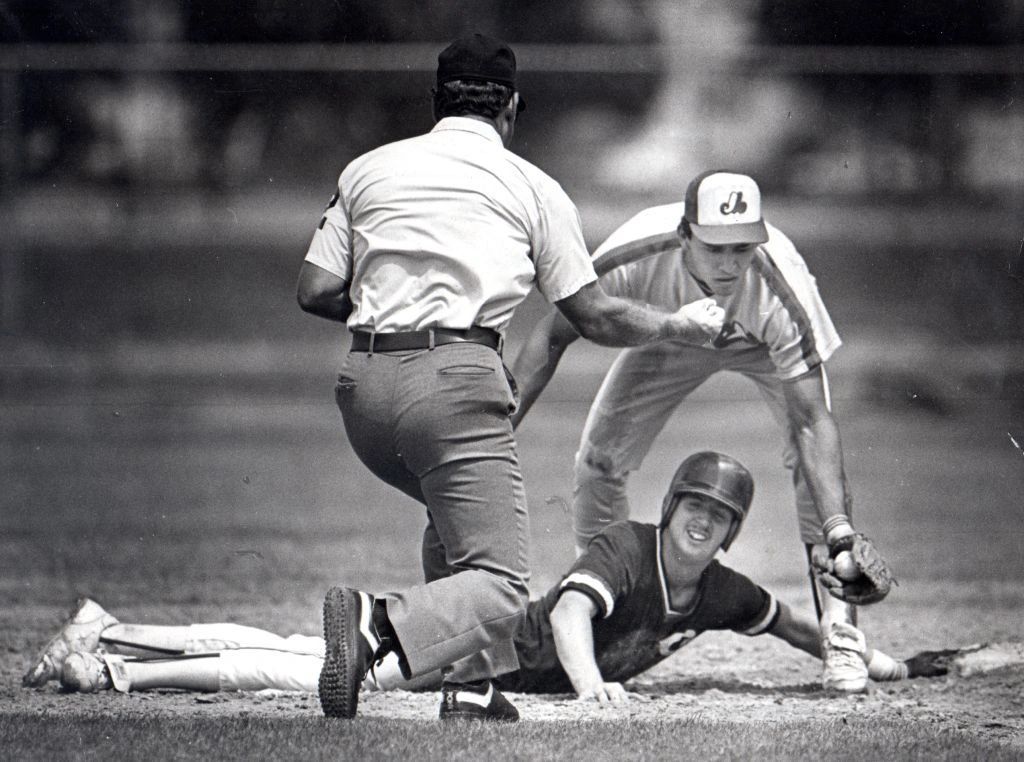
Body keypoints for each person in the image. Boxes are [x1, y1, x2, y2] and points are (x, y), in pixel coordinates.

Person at [293, 35, 726, 721]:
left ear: (436, 101)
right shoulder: (532, 186)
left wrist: (391, 310)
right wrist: (675, 325)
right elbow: (592, 314)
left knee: (455, 526)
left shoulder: (367, 169)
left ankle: (472, 685)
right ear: (511, 109)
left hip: (363, 390)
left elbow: (316, 290)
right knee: (500, 580)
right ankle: (376, 622)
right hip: (458, 383)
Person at [26, 453, 929, 703]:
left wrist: (864, 655)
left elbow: (789, 624)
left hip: (493, 664)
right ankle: (113, 661)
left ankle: (111, 637)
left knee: (299, 658)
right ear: (675, 502)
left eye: (718, 516)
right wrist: (592, 692)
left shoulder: (724, 589)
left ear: (732, 529)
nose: (701, 520)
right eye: (692, 504)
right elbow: (574, 615)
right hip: (483, 650)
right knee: (300, 672)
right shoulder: (627, 545)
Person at [509, 170, 893, 694]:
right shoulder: (635, 253)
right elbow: (552, 337)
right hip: (670, 332)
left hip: (760, 346)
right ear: (683, 233)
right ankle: (608, 598)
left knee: (815, 473)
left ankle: (841, 634)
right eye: (716, 248)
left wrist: (840, 531)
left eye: (743, 247)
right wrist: (502, 430)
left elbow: (811, 421)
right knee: (599, 459)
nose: (732, 263)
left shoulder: (780, 284)